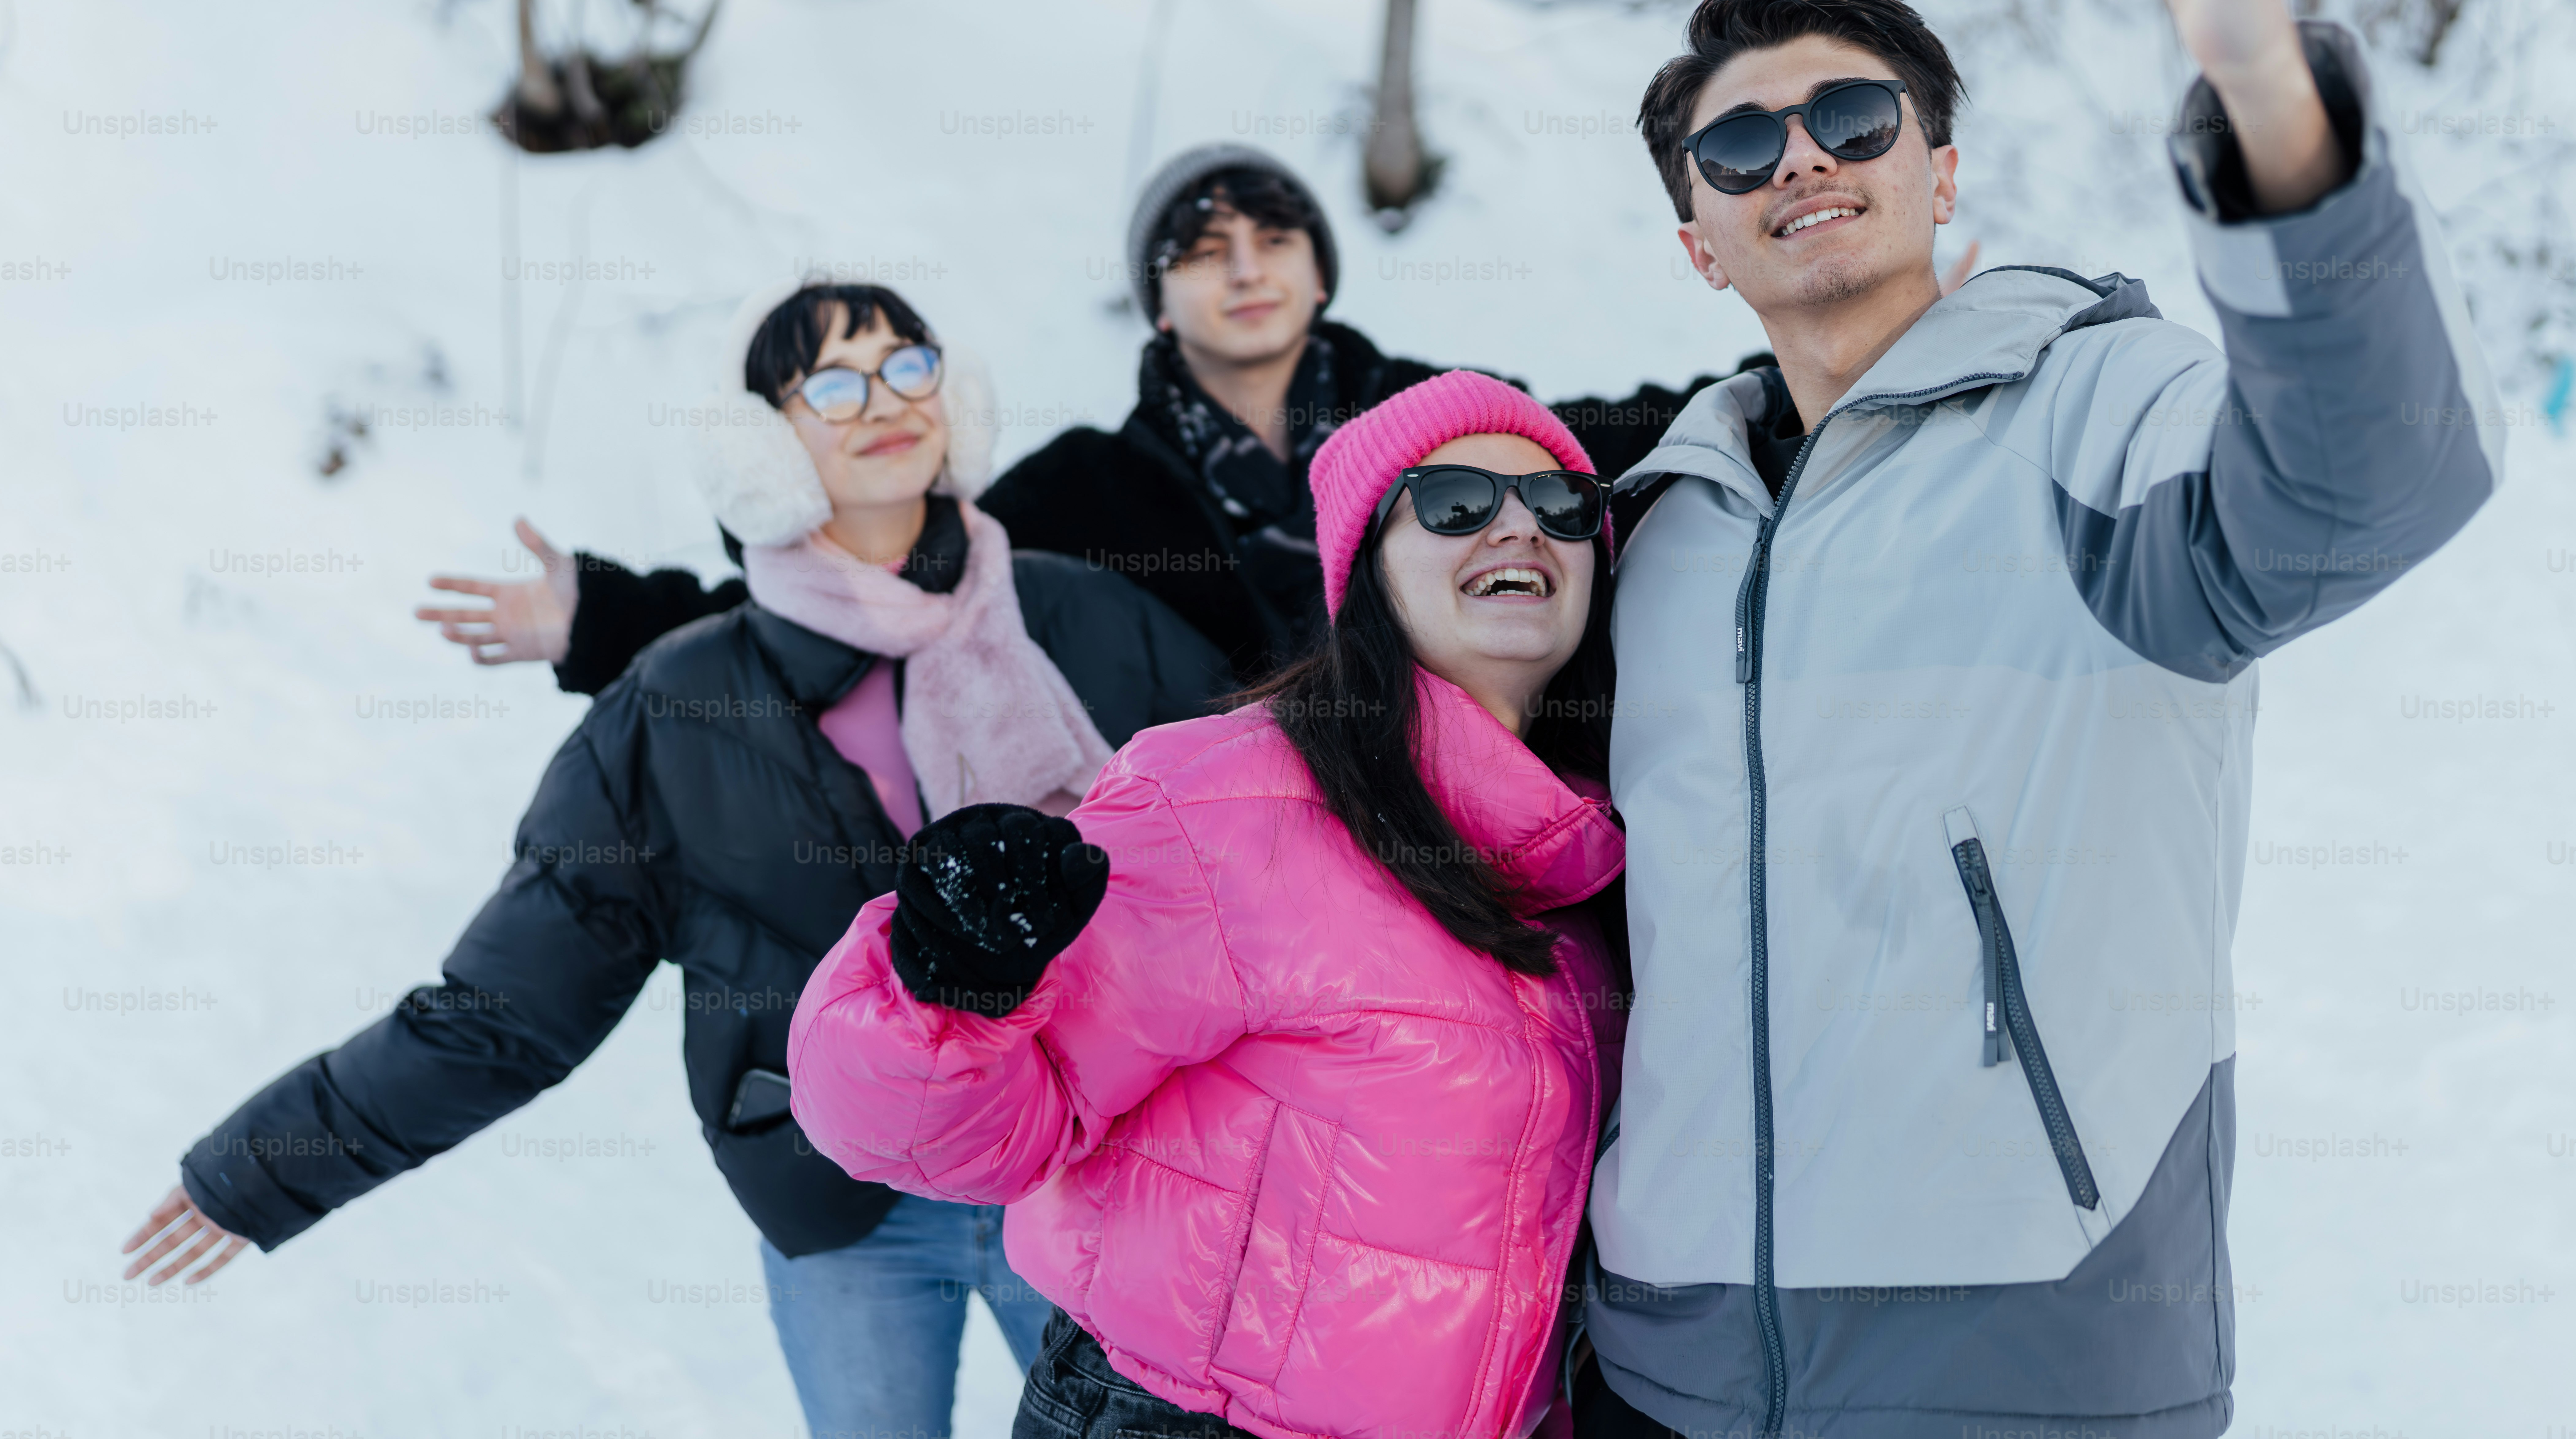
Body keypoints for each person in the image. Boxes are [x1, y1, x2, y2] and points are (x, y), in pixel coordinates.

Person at [1573, 0, 2505, 1439]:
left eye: (1855, 114)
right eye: (1740, 144)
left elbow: (2364, 487)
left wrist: (2256, 71)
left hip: (2028, 1354)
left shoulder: (2091, 408)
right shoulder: (1660, 528)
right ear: (1699, 242)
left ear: (1941, 169)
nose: (1804, 157)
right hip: (1668, 1357)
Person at [124, 281, 1235, 1439]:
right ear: (764, 446)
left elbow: (1272, 865)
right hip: (840, 1204)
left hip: (1092, 1171)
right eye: (834, 384)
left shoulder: (1085, 616)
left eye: (909, 366)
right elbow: (509, 1009)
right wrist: (270, 1162)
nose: (884, 403)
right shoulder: (680, 703)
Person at [785, 370, 1629, 1439]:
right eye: (1458, 502)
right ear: (1366, 568)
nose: (1518, 527)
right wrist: (946, 987)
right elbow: (944, 1135)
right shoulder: (1227, 799)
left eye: (1560, 505)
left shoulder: (1593, 858)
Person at [413, 145, 1838, 693]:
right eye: (1201, 247)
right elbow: (875, 581)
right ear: (1159, 303)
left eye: (1273, 236)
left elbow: (1654, 428)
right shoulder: (1093, 490)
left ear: (1320, 269)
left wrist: (1847, 345)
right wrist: (602, 620)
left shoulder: (1442, 418)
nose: (1243, 263)